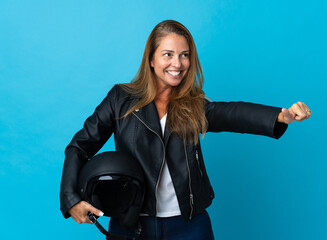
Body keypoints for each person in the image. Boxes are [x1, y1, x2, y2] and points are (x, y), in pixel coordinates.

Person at [60, 20, 312, 239]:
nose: (177, 63)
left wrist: (282, 115)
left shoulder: (193, 106)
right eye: (168, 54)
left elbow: (234, 114)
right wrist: (71, 199)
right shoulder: (120, 99)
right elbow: (79, 146)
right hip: (131, 224)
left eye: (184, 55)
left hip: (190, 226)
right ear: (151, 59)